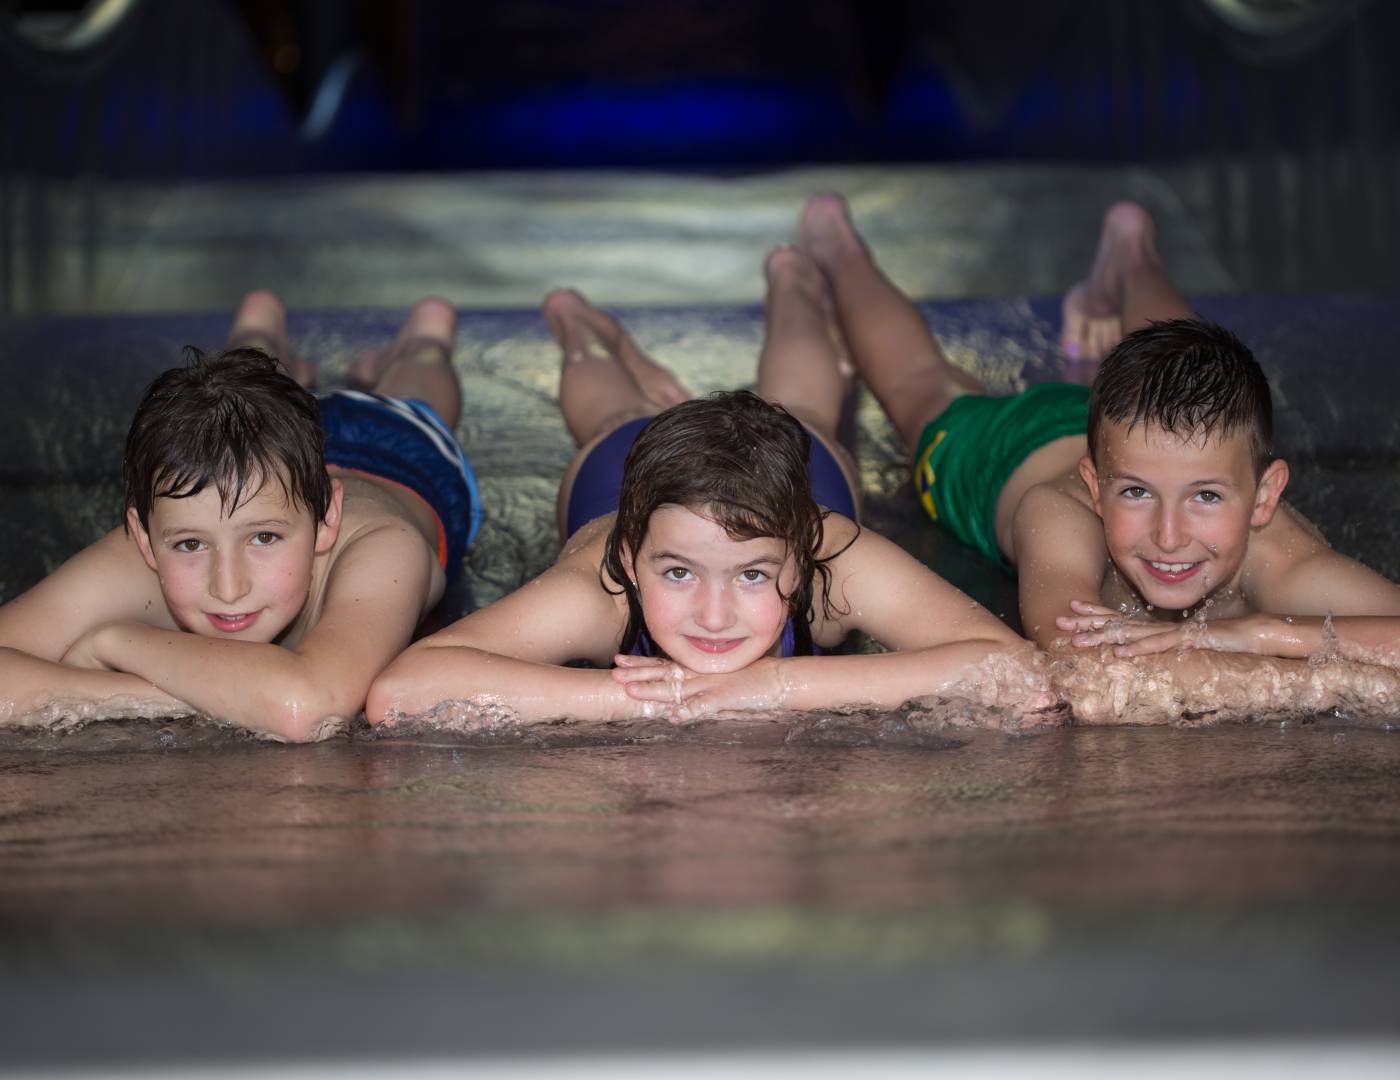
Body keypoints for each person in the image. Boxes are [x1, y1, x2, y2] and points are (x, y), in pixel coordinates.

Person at [367, 249, 1051, 728]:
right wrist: (644, 699)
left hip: (790, 472)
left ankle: (792, 283)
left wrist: (775, 685)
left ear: (801, 560)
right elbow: (402, 691)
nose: (714, 617)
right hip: (614, 478)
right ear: (630, 559)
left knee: (803, 411)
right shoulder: (600, 591)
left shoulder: (835, 562)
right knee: (614, 419)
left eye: (753, 575)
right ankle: (582, 333)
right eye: (677, 573)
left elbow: (1018, 671)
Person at [798, 194, 1400, 662]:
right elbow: (1081, 664)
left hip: (1147, 436)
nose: (1169, 537)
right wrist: (1306, 651)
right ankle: (836, 251)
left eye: (1207, 497)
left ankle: (1130, 255)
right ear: (1094, 486)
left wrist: (1263, 633)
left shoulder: (1282, 559)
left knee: (1185, 358)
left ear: (1264, 497)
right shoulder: (1058, 516)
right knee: (921, 387)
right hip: (1006, 449)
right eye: (1135, 493)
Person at [0, 290, 481, 741]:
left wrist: (116, 643)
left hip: (398, 452)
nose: (228, 588)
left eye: (264, 538)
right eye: (191, 545)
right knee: (237, 391)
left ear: (326, 520)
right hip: (262, 463)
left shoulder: (382, 550)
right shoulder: (169, 525)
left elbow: (311, 707)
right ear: (143, 538)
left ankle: (425, 343)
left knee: (415, 393)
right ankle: (259, 334)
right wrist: (165, 697)